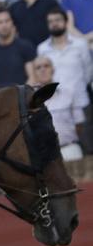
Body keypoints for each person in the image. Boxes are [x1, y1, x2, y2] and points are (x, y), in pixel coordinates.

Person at [37, 10, 92, 159]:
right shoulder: (42, 49)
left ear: (66, 21)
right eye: (51, 21)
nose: (54, 23)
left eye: (58, 19)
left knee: (89, 150)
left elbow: (88, 72)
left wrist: (74, 91)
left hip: (81, 103)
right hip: (57, 106)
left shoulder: (80, 45)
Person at [0, 7, 38, 84]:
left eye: (7, 21)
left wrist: (22, 95)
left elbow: (32, 78)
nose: (4, 25)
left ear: (12, 22)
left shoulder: (26, 47)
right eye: (0, 22)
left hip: (23, 95)